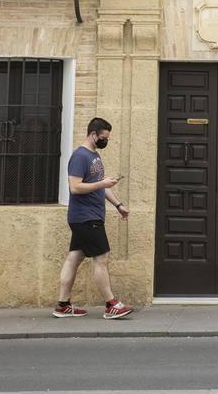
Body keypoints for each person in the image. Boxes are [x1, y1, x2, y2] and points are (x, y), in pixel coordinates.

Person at [53, 117, 133, 319]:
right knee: (101, 258)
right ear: (93, 134)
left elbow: (99, 185)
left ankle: (63, 305)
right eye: (104, 138)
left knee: (74, 258)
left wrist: (118, 205)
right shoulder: (80, 156)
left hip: (87, 216)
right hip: (86, 218)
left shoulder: (94, 155)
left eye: (108, 138)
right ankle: (111, 305)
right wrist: (102, 184)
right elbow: (75, 187)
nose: (106, 141)